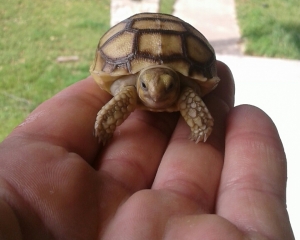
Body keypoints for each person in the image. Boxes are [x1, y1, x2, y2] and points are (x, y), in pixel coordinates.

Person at [0, 62, 294, 239]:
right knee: (128, 98)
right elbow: (125, 98)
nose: (156, 95)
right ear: (138, 82)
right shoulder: (130, 88)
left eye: (167, 88)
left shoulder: (184, 88)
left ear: (175, 82)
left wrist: (200, 125)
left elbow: (190, 99)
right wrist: (105, 126)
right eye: (147, 88)